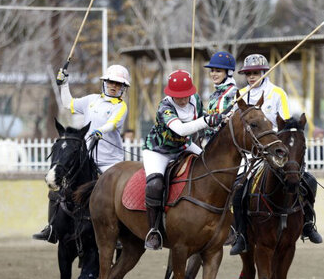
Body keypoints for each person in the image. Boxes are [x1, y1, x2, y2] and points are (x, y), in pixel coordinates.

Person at [229, 54, 322, 256]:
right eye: (248, 74)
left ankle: (308, 224)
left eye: (255, 73)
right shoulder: (240, 95)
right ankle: (241, 235)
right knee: (238, 190)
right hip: (250, 154)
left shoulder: (277, 93)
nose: (252, 77)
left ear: (264, 73)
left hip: (274, 151)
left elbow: (286, 122)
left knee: (308, 181)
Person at [33, 64, 130, 243]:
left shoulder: (121, 106)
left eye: (118, 84)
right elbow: (68, 103)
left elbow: (113, 123)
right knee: (60, 186)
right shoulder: (91, 100)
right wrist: (64, 84)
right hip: (87, 157)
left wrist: (101, 130)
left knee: (114, 195)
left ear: (123, 87)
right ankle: (52, 227)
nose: (113, 86)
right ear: (104, 82)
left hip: (111, 162)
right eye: (110, 82)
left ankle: (118, 233)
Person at [141, 70, 224, 250]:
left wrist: (219, 120)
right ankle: (154, 230)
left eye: (186, 95)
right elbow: (181, 130)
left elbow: (203, 119)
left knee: (210, 170)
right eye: (178, 96)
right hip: (158, 151)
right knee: (154, 185)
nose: (183, 99)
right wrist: (208, 121)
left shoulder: (194, 99)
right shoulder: (165, 107)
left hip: (183, 146)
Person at [203, 51, 237, 142]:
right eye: (212, 71)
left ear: (229, 72)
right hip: (210, 140)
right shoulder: (216, 93)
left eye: (218, 71)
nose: (213, 74)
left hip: (225, 141)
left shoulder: (232, 92)